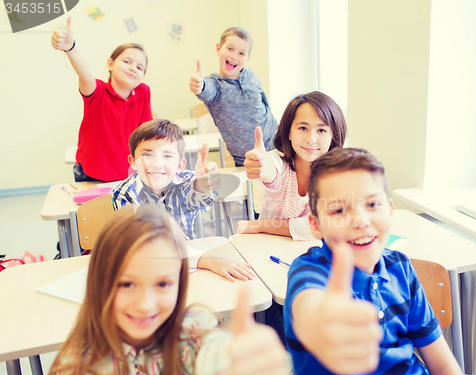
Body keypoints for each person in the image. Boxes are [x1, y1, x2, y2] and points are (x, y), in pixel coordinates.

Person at [44, 205, 290, 375]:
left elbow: (225, 362)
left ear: (180, 283)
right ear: (100, 282)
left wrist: (256, 371)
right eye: (127, 284)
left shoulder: (196, 332)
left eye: (163, 284)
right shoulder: (76, 374)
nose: (145, 304)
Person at [283, 148, 470, 375]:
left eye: (372, 204)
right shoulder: (309, 271)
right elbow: (310, 308)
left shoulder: (400, 268)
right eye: (339, 210)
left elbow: (443, 366)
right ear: (315, 225)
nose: (360, 220)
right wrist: (322, 325)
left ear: (390, 210)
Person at [112, 119, 254, 282]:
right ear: (133, 162)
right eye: (147, 154)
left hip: (190, 263)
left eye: (167, 155)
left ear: (180, 165)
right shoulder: (124, 194)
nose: (157, 164)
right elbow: (148, 245)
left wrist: (203, 185)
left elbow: (199, 198)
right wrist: (207, 260)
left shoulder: (187, 181)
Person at [52, 17, 152, 182]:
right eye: (127, 61)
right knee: (94, 209)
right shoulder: (97, 91)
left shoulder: (143, 92)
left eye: (140, 67)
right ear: (110, 64)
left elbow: (146, 133)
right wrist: (70, 48)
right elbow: (85, 74)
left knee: (127, 209)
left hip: (128, 173)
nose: (133, 68)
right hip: (91, 173)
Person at [238, 91, 347, 241]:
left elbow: (320, 228)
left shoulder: (337, 177)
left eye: (321, 130)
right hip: (266, 246)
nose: (311, 139)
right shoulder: (281, 166)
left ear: (332, 137)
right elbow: (271, 170)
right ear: (289, 132)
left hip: (308, 252)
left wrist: (261, 225)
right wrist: (261, 166)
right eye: (303, 128)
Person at [189, 27, 277, 167]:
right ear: (218, 49)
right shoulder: (215, 85)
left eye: (241, 53)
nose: (234, 56)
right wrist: (200, 85)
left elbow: (265, 105)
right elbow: (206, 89)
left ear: (247, 59)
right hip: (247, 160)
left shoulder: (251, 76)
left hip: (277, 146)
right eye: (230, 49)